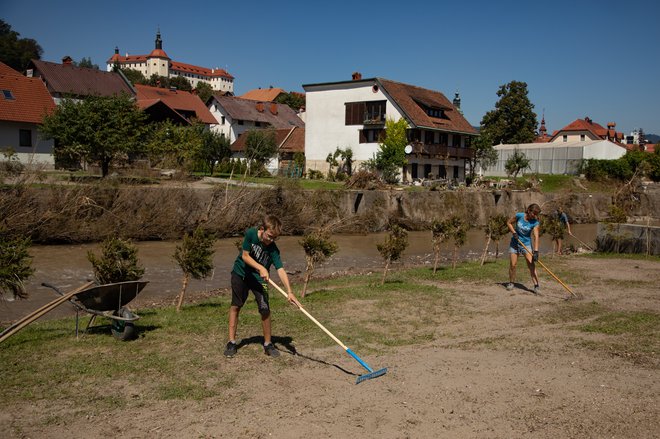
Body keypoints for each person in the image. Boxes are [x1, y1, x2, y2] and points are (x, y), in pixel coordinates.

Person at [224, 214, 300, 358]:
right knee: (236, 305)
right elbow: (245, 256)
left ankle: (268, 344)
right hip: (241, 274)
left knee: (265, 309)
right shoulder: (251, 234)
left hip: (260, 280)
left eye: (274, 238)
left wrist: (289, 292)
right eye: (269, 236)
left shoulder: (273, 250)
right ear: (262, 229)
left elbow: (281, 270)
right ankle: (232, 342)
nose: (271, 240)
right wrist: (261, 267)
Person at [506, 203, 541, 294]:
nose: (535, 216)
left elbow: (536, 236)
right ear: (529, 211)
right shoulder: (519, 216)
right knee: (513, 265)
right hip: (515, 243)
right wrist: (514, 232)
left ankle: (536, 285)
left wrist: (536, 251)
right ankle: (511, 282)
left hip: (526, 244)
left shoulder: (535, 223)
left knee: (531, 265)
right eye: (534, 213)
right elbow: (509, 223)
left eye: (537, 214)